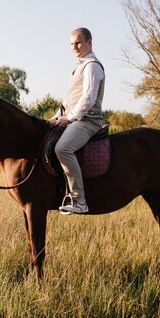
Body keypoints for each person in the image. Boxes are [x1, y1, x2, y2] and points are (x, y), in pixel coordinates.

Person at [48, 27, 105, 214]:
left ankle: (79, 200)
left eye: (78, 43)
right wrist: (55, 118)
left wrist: (69, 118)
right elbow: (69, 100)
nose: (75, 47)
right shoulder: (79, 67)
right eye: (72, 44)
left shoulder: (92, 66)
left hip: (88, 121)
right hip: (74, 119)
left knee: (62, 148)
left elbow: (88, 97)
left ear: (89, 42)